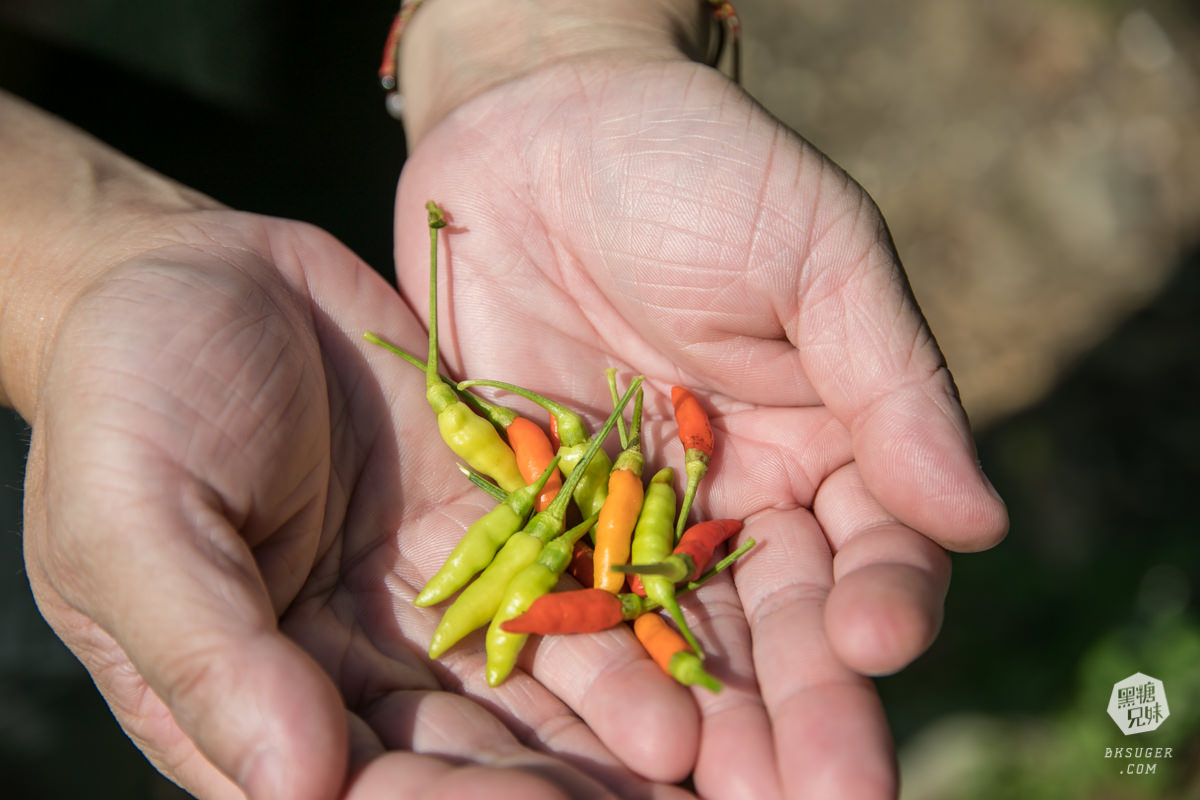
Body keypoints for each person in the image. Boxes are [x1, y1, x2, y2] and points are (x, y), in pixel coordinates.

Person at [0, 1, 1007, 797]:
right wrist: (65, 280)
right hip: (124, 340)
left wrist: (551, 35)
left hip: (379, 154)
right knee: (140, 661)